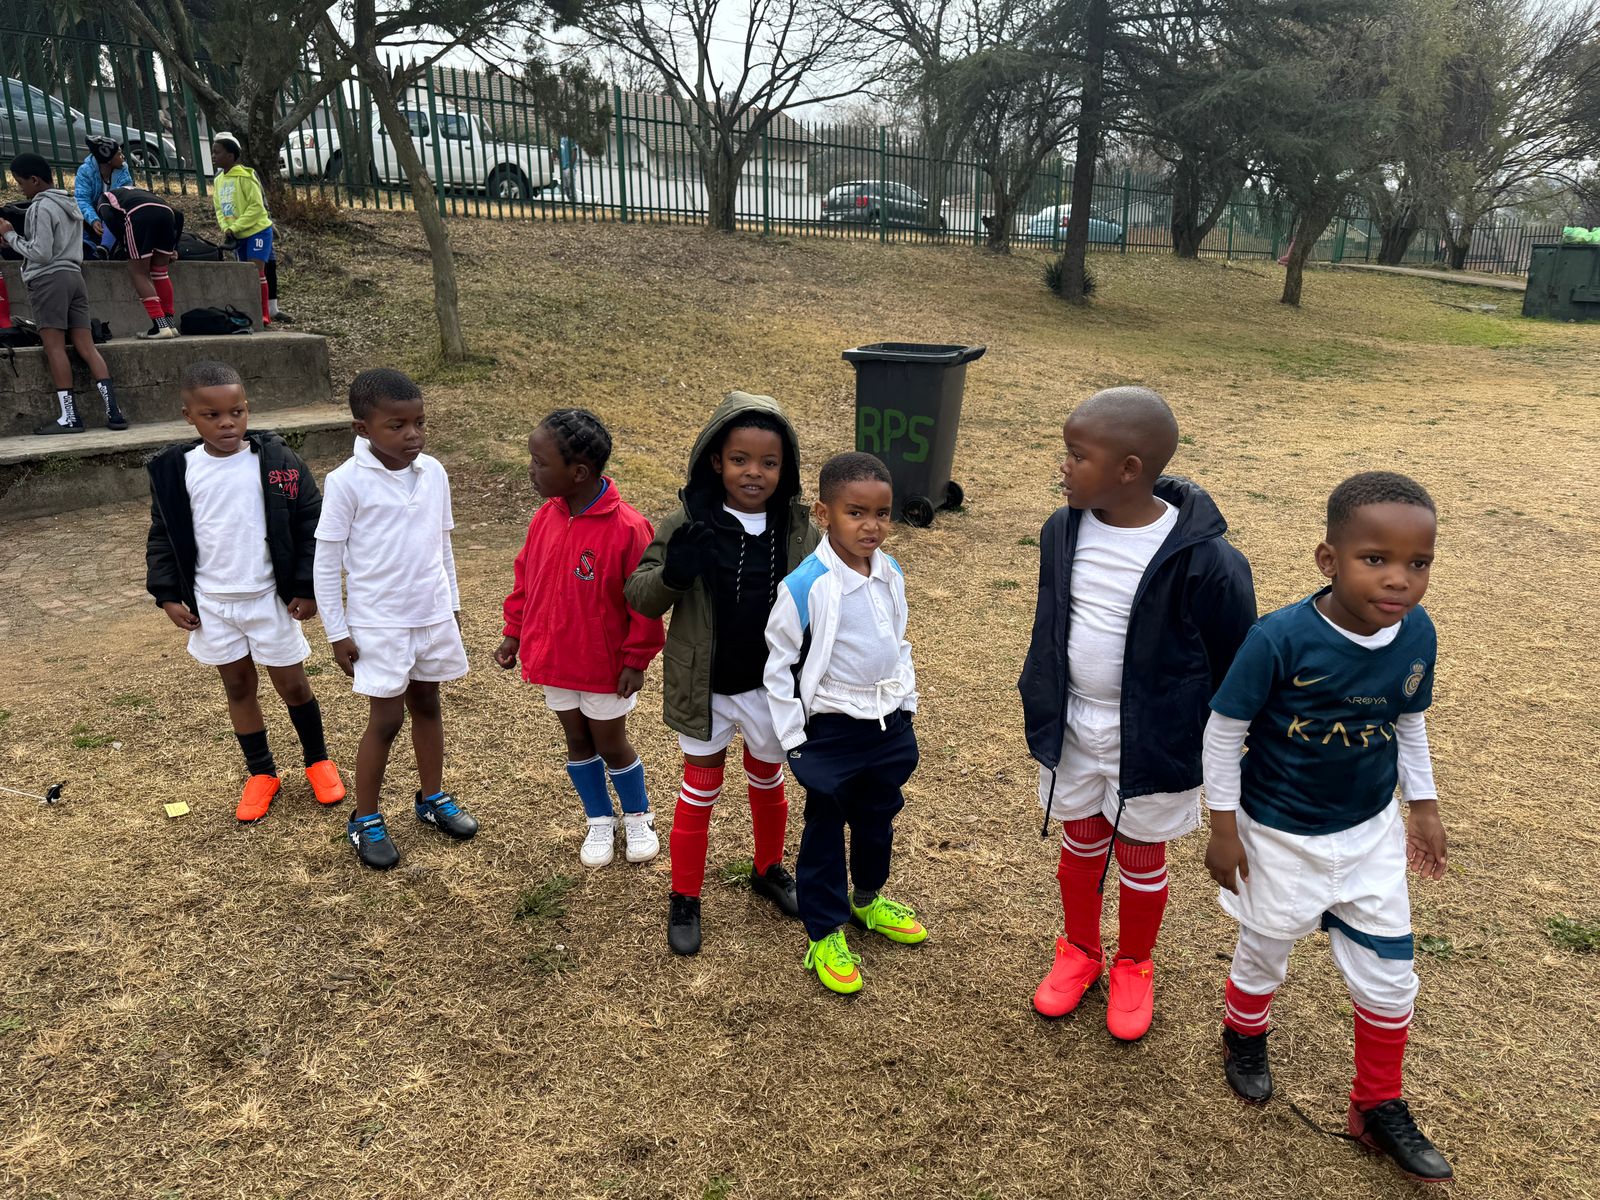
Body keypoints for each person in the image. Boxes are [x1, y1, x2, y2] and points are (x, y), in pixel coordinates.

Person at [1204, 470, 1452, 1183]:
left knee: (1391, 979)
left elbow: (1408, 720)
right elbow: (1224, 734)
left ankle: (1375, 1104)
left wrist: (1423, 805)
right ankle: (1243, 1033)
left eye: (1418, 563)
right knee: (1265, 950)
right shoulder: (1279, 639)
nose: (1399, 579)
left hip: (1370, 831)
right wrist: (1223, 828)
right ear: (1328, 560)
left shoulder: (1417, 634)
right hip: (1279, 833)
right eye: (1376, 559)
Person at [1017, 386, 1256, 1041]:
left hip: (1153, 736)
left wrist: (1226, 740)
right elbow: (1053, 620)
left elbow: (1234, 655)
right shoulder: (1062, 529)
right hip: (1073, 723)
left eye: (1077, 455)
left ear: (1128, 469)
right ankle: (1080, 951)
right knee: (1081, 839)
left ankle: (1134, 964)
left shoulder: (1207, 559)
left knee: (1140, 850)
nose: (1063, 466)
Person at [625, 392, 819, 956]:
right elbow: (639, 594)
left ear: (785, 468)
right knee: (700, 787)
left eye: (768, 462)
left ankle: (768, 868)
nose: (753, 472)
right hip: (706, 685)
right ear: (716, 461)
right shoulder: (688, 521)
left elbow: (826, 597)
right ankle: (684, 895)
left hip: (770, 685)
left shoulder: (798, 527)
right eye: (740, 459)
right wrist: (674, 574)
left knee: (768, 777)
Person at [145, 360, 344, 822]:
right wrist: (168, 594)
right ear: (189, 417)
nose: (227, 423)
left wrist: (306, 586)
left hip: (269, 600)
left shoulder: (277, 462)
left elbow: (310, 523)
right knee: (238, 686)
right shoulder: (176, 471)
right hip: (213, 604)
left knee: (292, 684)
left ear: (247, 409)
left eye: (236, 412)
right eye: (212, 415)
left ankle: (317, 760)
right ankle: (261, 773)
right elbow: (163, 535)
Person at [764, 452, 924, 996]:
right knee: (825, 830)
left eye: (881, 513)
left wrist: (907, 702)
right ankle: (824, 931)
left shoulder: (891, 572)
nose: (871, 526)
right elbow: (779, 668)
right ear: (823, 513)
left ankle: (867, 900)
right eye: (856, 513)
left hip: (887, 725)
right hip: (830, 732)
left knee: (878, 818)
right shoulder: (805, 585)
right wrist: (794, 738)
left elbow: (898, 641)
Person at [314, 368, 478, 870]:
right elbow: (326, 563)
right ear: (363, 428)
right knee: (385, 719)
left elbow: (442, 545)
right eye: (397, 425)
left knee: (428, 703)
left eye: (419, 423)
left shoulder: (434, 473)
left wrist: (451, 605)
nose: (413, 435)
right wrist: (337, 632)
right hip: (378, 625)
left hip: (430, 616)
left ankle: (432, 797)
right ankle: (365, 818)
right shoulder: (345, 482)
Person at [495, 409, 665, 869]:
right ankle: (599, 818)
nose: (531, 470)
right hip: (555, 660)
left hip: (602, 665)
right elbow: (526, 579)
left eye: (539, 462)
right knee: (576, 740)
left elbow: (644, 603)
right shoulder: (544, 517)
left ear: (579, 472)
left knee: (610, 743)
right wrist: (514, 633)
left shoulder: (628, 528)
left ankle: (638, 816)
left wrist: (636, 660)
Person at [0, 153, 125, 434]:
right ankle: (114, 411)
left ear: (34, 180)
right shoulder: (69, 204)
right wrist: (18, 243)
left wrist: (9, 235)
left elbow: (41, 253)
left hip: (49, 281)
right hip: (74, 277)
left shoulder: (40, 206)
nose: (20, 188)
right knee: (87, 346)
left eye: (20, 182)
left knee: (54, 347)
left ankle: (69, 417)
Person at [211, 132, 283, 327]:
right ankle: (248, 312)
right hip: (237, 234)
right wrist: (226, 227)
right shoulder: (218, 180)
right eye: (213, 152)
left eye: (217, 152)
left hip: (258, 231)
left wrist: (234, 227)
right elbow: (219, 207)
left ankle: (264, 314)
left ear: (231, 155)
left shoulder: (246, 176)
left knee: (255, 272)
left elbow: (256, 207)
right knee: (244, 274)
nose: (213, 156)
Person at [95, 184, 179, 338]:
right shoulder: (140, 192)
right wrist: (174, 246)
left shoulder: (104, 197)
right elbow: (179, 215)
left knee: (139, 273)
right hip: (167, 213)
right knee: (161, 272)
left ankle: (160, 326)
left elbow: (109, 218)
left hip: (138, 215)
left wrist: (124, 242)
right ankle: (170, 324)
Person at [74, 135, 131, 250]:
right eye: (119, 154)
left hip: (112, 214)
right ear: (108, 160)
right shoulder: (85, 171)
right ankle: (87, 247)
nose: (123, 157)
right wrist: (93, 219)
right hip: (90, 216)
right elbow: (82, 199)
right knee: (77, 219)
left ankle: (105, 248)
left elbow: (125, 195)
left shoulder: (123, 169)